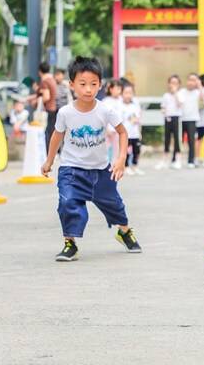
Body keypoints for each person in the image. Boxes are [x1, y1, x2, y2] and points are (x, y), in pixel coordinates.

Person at [41, 56, 142, 261]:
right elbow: (57, 136)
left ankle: (124, 231)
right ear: (71, 85)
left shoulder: (105, 110)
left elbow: (123, 133)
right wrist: (49, 161)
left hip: (100, 171)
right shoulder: (65, 113)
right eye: (83, 84)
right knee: (68, 202)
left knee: (115, 206)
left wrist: (121, 158)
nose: (88, 89)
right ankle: (70, 243)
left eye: (93, 84)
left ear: (100, 85)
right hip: (71, 169)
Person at [156, 75, 183, 170]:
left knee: (176, 139)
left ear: (179, 85)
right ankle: (164, 160)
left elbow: (180, 104)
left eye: (175, 83)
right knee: (167, 139)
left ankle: (178, 160)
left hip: (176, 118)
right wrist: (164, 111)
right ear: (168, 84)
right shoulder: (165, 95)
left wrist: (175, 93)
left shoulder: (180, 94)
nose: (173, 85)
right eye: (172, 83)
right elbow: (163, 106)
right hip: (167, 118)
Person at [121, 83, 143, 176]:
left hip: (135, 133)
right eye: (126, 93)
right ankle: (126, 167)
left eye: (130, 93)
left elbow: (138, 118)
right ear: (122, 94)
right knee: (126, 151)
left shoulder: (135, 105)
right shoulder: (120, 106)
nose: (128, 95)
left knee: (136, 150)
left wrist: (140, 131)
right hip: (126, 134)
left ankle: (135, 166)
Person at [179, 73, 201, 168]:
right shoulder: (182, 92)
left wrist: (199, 86)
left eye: (194, 80)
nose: (191, 82)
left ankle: (191, 160)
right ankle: (176, 160)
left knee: (191, 141)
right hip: (181, 119)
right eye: (190, 80)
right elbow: (179, 102)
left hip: (192, 119)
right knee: (178, 140)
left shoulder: (198, 92)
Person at [37, 62, 58, 152]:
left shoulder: (44, 81)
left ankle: (46, 151)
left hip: (48, 109)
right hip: (54, 108)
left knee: (46, 132)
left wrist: (38, 101)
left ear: (40, 72)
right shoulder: (52, 80)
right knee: (51, 131)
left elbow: (46, 96)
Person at [103, 79, 124, 164]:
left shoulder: (121, 101)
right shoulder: (106, 101)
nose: (118, 91)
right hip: (108, 129)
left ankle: (115, 165)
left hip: (118, 129)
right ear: (111, 89)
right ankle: (105, 165)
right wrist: (106, 129)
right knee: (106, 148)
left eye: (120, 89)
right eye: (116, 88)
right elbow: (103, 116)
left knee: (117, 148)